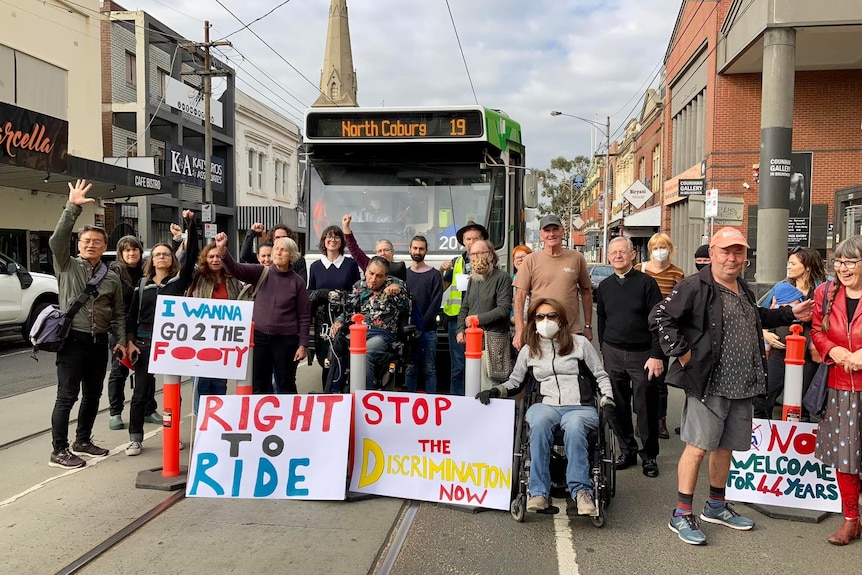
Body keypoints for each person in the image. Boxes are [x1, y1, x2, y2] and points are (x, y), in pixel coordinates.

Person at [649, 226, 813, 546]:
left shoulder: (743, 288)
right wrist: (683, 354)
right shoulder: (695, 286)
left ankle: (716, 505)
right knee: (697, 448)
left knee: (726, 448)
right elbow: (661, 317)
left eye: (738, 251)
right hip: (709, 384)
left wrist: (789, 312)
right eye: (725, 251)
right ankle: (682, 513)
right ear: (712, 254)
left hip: (743, 384)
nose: (732, 257)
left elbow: (757, 316)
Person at [476, 297, 614, 515]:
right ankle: (538, 491)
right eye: (540, 317)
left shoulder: (580, 345)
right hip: (546, 405)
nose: (545, 320)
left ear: (561, 320)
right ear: (533, 321)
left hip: (579, 406)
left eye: (551, 316)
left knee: (576, 427)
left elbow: (600, 375)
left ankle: (581, 492)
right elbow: (515, 381)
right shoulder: (529, 350)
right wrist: (496, 391)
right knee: (538, 423)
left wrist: (607, 399)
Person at [48, 180, 127, 469]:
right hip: (72, 342)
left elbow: (118, 313)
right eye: (86, 241)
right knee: (66, 397)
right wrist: (72, 207)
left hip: (98, 344)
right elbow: (56, 240)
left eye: (97, 242)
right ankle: (59, 450)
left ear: (105, 246)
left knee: (93, 395)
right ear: (78, 245)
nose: (91, 245)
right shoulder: (66, 265)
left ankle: (83, 440)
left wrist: (119, 340)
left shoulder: (112, 277)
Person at [124, 211, 199, 456]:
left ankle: (173, 434)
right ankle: (135, 438)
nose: (162, 257)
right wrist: (130, 342)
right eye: (157, 255)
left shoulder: (179, 281)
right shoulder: (142, 286)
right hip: (144, 343)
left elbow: (192, 255)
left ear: (172, 258)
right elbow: (131, 316)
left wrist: (190, 225)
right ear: (151, 260)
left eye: (166, 254)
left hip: (171, 344)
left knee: (172, 392)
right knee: (140, 393)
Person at [597, 236, 664, 477]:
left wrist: (657, 355)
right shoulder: (604, 286)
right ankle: (627, 450)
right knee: (617, 406)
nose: (618, 256)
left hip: (643, 355)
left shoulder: (647, 284)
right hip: (613, 353)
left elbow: (659, 321)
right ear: (608, 257)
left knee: (646, 407)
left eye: (622, 252)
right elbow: (602, 319)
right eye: (613, 253)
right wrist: (604, 351)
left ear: (633, 254)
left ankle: (649, 455)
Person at [810, 236, 862, 545]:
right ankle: (851, 521)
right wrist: (833, 350)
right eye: (839, 262)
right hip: (841, 386)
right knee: (846, 458)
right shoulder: (825, 292)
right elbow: (817, 331)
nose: (842, 268)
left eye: (850, 262)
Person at [217, 233, 309, 395]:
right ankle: (260, 417)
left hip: (286, 340)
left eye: (284, 250)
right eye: (277, 249)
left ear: (292, 256)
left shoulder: (297, 282)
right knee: (258, 382)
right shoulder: (261, 272)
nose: (279, 253)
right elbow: (236, 269)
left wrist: (302, 345)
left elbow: (304, 316)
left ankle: (289, 417)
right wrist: (222, 250)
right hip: (259, 337)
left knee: (285, 382)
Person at [756, 246, 827, 420]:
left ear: (808, 266)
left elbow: (834, 318)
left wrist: (814, 318)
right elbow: (757, 314)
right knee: (764, 396)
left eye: (793, 263)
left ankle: (798, 442)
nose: (788, 266)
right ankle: (762, 437)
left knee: (802, 401)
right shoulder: (781, 287)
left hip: (808, 354)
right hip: (780, 351)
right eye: (788, 262)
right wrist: (765, 334)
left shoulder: (823, 288)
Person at [513, 214, 592, 350]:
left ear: (562, 231)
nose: (551, 234)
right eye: (547, 230)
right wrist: (519, 330)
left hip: (570, 332)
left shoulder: (576, 258)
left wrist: (588, 326)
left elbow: (586, 292)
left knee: (572, 370)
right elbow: (519, 298)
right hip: (539, 332)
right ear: (541, 234)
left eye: (555, 229)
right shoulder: (530, 260)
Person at [331, 257, 411, 389]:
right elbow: (348, 309)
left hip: (382, 334)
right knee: (337, 347)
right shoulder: (359, 286)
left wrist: (398, 291)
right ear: (366, 271)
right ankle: (334, 396)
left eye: (379, 276)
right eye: (371, 274)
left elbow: (406, 306)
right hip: (358, 331)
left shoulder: (396, 285)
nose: (374, 279)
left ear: (386, 276)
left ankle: (364, 397)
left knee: (364, 353)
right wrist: (338, 322)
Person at [186, 241, 244, 415]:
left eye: (219, 256)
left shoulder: (233, 280)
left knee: (219, 382)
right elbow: (185, 261)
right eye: (211, 256)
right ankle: (202, 418)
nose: (215, 259)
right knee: (201, 382)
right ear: (205, 259)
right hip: (200, 340)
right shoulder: (197, 277)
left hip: (224, 341)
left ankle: (219, 417)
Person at [638, 233, 685, 439]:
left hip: (663, 331)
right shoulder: (640, 269)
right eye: (655, 247)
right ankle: (642, 421)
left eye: (663, 246)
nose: (659, 250)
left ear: (670, 248)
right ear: (650, 250)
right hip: (640, 331)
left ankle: (660, 420)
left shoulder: (677, 273)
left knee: (659, 379)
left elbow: (681, 303)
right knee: (640, 380)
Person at [307, 225, 362, 388]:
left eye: (337, 237)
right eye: (328, 237)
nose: (332, 240)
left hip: (344, 320)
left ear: (342, 241)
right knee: (325, 361)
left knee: (344, 362)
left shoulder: (350, 264)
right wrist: (325, 293)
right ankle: (328, 397)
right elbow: (310, 294)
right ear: (324, 241)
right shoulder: (316, 266)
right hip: (322, 323)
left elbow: (357, 292)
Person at [457, 239, 513, 389]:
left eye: (481, 253)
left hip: (493, 340)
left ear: (490, 255)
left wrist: (478, 319)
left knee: (490, 386)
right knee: (472, 383)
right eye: (473, 254)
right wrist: (460, 329)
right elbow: (465, 306)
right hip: (473, 340)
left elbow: (504, 309)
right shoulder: (473, 280)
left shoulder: (502, 277)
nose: (476, 257)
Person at [441, 221, 489, 395]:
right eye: (468, 239)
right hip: (458, 322)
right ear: (463, 241)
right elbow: (442, 287)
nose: (471, 242)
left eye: (475, 238)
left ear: (483, 240)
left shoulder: (491, 264)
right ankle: (458, 403)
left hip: (482, 321)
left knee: (482, 366)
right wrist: (441, 270)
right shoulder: (456, 262)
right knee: (458, 366)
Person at [106, 235, 146, 431]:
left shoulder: (147, 270)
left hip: (142, 327)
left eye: (135, 249)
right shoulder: (114, 272)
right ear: (121, 253)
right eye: (127, 250)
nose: (131, 253)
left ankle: (148, 408)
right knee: (119, 370)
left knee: (146, 371)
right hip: (119, 328)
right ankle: (115, 412)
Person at [405, 236, 444, 394]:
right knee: (410, 369)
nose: (417, 251)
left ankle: (432, 403)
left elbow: (435, 303)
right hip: (408, 332)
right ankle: (408, 402)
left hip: (428, 331)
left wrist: (421, 326)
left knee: (429, 369)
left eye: (421, 248)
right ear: (410, 249)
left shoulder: (434, 275)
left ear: (426, 251)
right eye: (415, 248)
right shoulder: (404, 274)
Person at [341, 214, 407, 281]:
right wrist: (346, 227)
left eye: (386, 250)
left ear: (392, 251)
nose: (383, 253)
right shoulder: (369, 265)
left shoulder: (399, 268)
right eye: (380, 251)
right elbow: (354, 249)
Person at [240, 222, 307, 283]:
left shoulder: (298, 260)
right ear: (272, 240)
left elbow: (302, 283)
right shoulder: (267, 258)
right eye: (277, 237)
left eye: (284, 237)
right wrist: (252, 232)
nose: (281, 240)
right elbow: (245, 255)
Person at [510, 245, 532, 326]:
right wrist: (513, 317)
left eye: (523, 256)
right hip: (515, 324)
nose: (520, 259)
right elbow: (507, 302)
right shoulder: (510, 279)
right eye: (516, 258)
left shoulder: (536, 278)